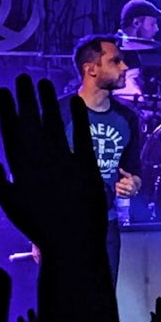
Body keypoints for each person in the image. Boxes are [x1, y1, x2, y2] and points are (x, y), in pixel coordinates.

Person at [59, 34, 143, 283]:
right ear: (91, 69)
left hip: (106, 227)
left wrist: (133, 185)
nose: (124, 68)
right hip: (63, 226)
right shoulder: (57, 114)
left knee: (102, 309)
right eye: (115, 61)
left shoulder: (128, 118)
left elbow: (134, 171)